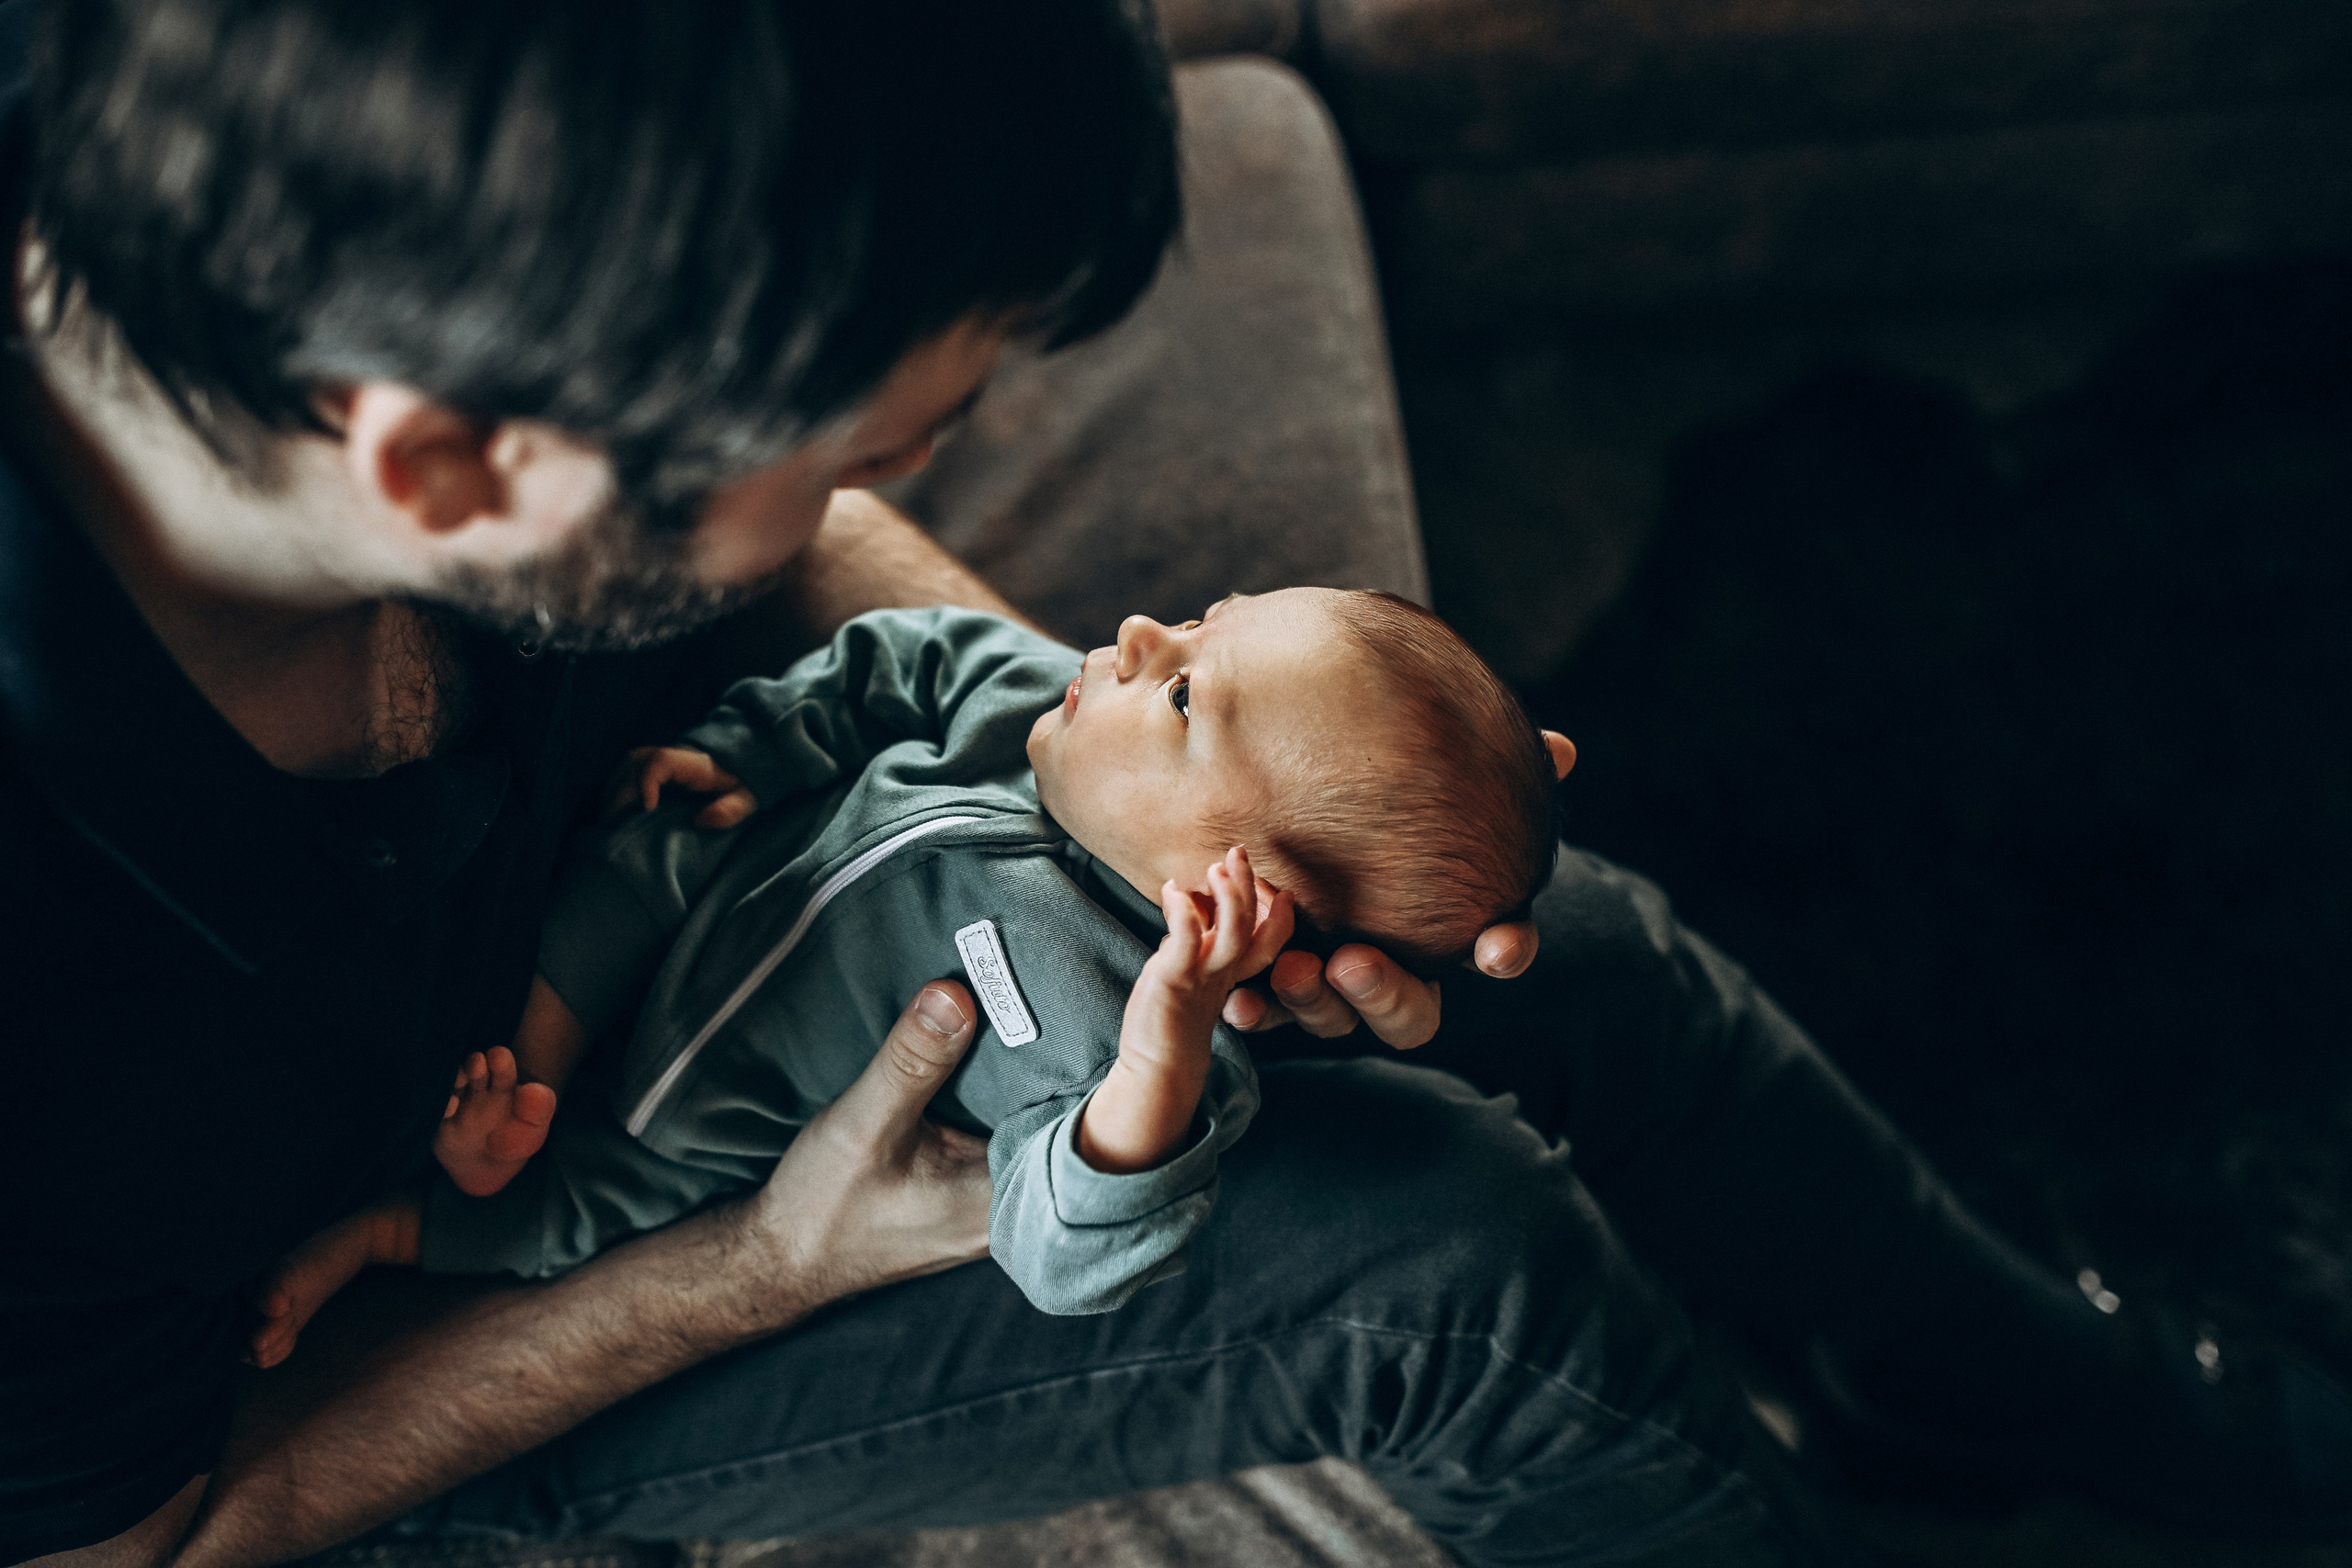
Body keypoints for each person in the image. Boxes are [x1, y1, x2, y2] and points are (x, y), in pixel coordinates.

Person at [3, 4, 2345, 1568]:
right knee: (1444, 1264)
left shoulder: (324, 161)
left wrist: (1141, 810)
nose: (908, 478)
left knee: (1557, 942)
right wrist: (761, 1259)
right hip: (436, 1302)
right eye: (876, 437)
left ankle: (2057, 1403)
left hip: (692, 898)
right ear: (446, 462)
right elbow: (137, 1534)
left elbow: (813, 558)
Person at [247, 590, 1555, 1359]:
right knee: (628, 867)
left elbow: (1065, 1253)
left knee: (584, 1209)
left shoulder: (1143, 1047)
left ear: (1238, 889)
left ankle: (401, 1226)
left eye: (1182, 698)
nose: (1141, 632)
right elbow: (892, 664)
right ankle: (525, 1071)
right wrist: (754, 750)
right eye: (1202, 621)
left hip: (722, 1117)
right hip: (700, 881)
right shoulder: (1023, 701)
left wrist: (1163, 1043)